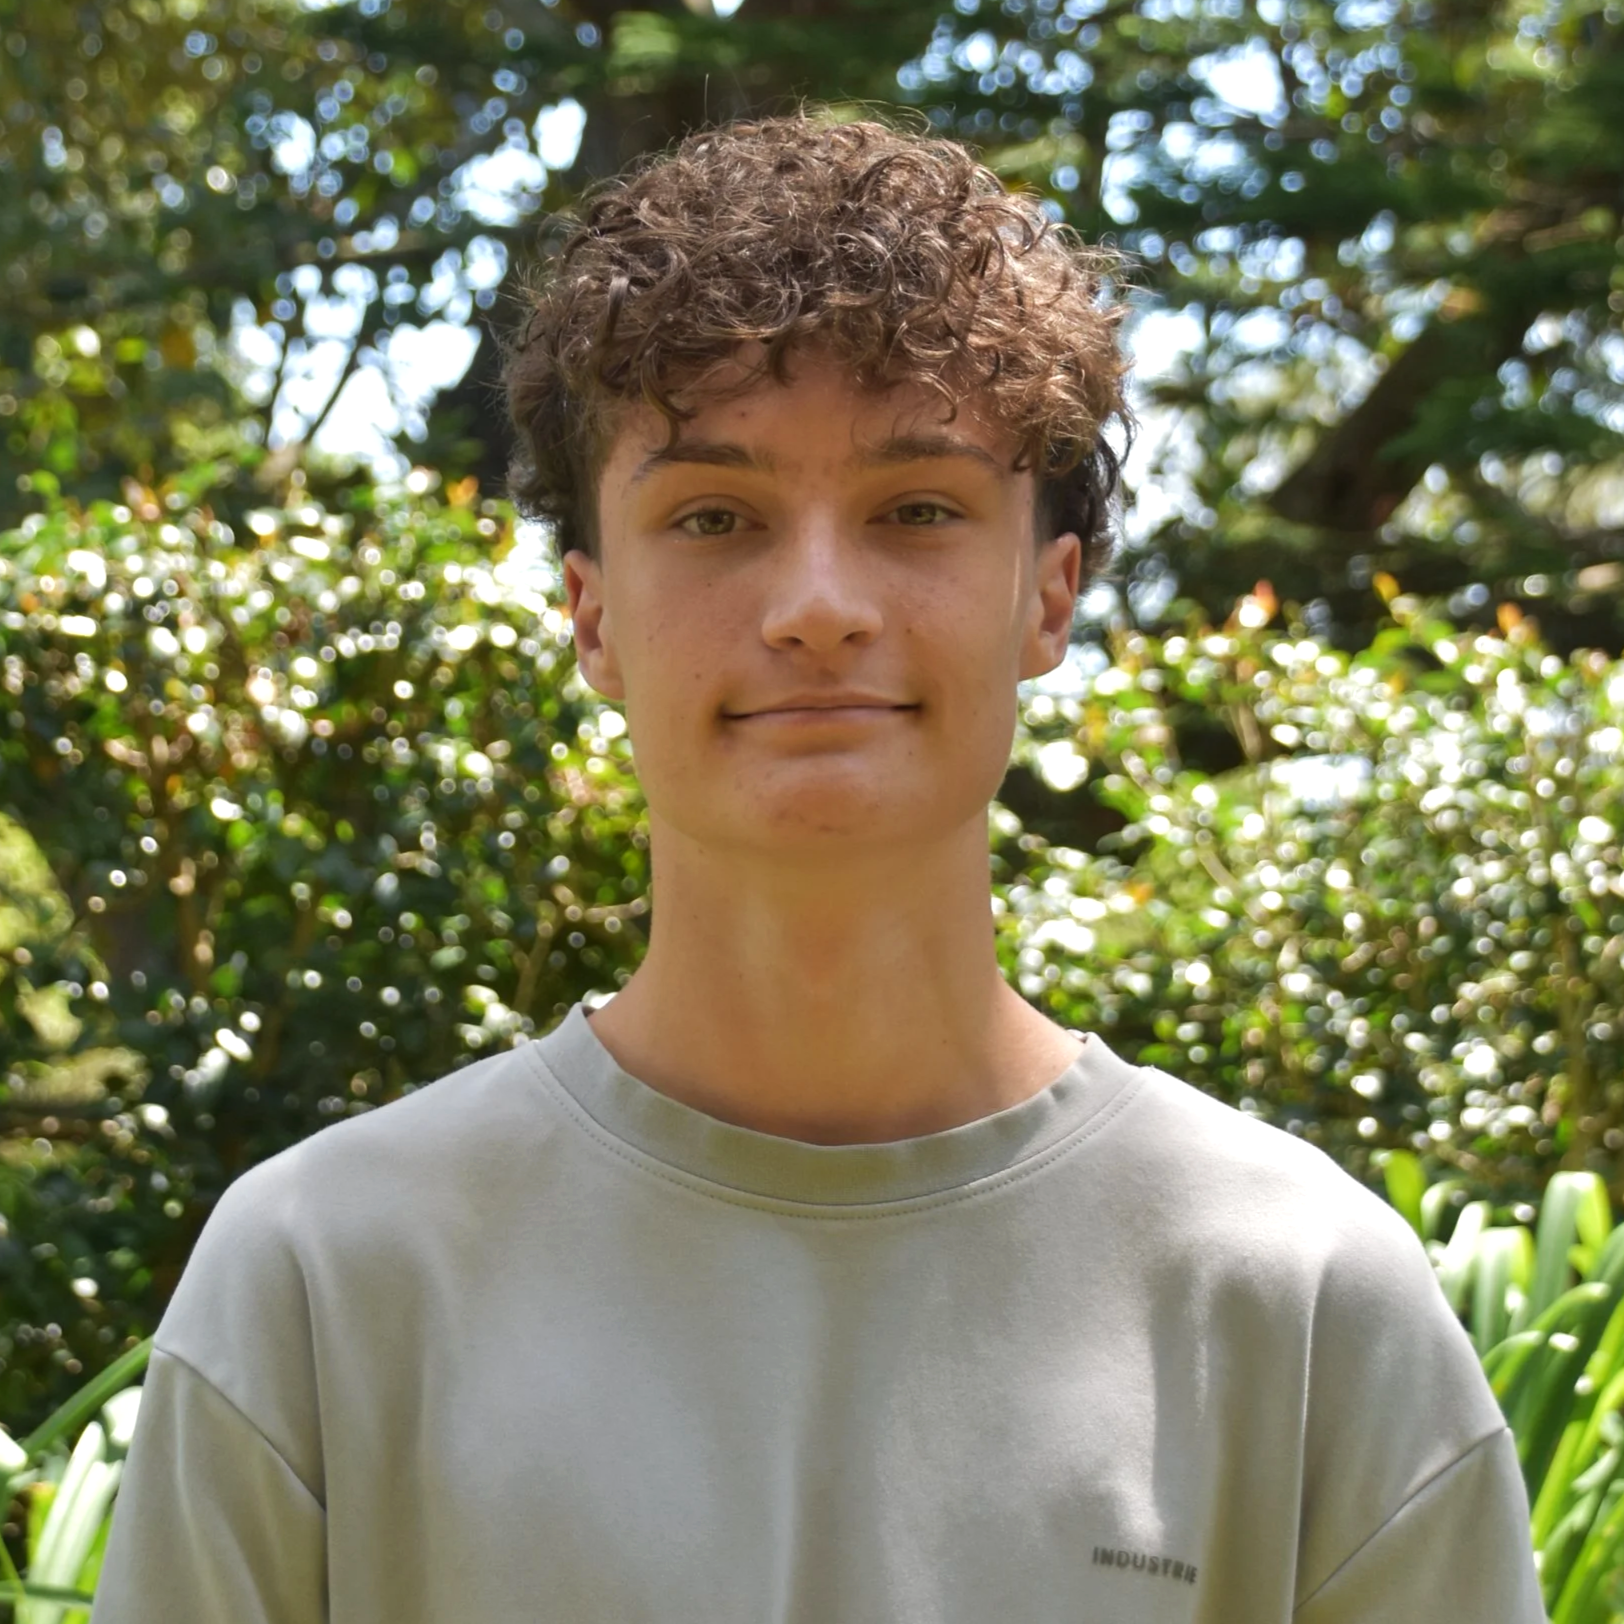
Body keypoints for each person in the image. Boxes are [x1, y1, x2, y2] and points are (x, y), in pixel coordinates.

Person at [90, 111, 1545, 1623]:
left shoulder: (1304, 1309)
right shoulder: (324, 1285)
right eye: (715, 517)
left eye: (917, 510)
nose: (818, 605)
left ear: (1048, 595)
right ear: (592, 614)